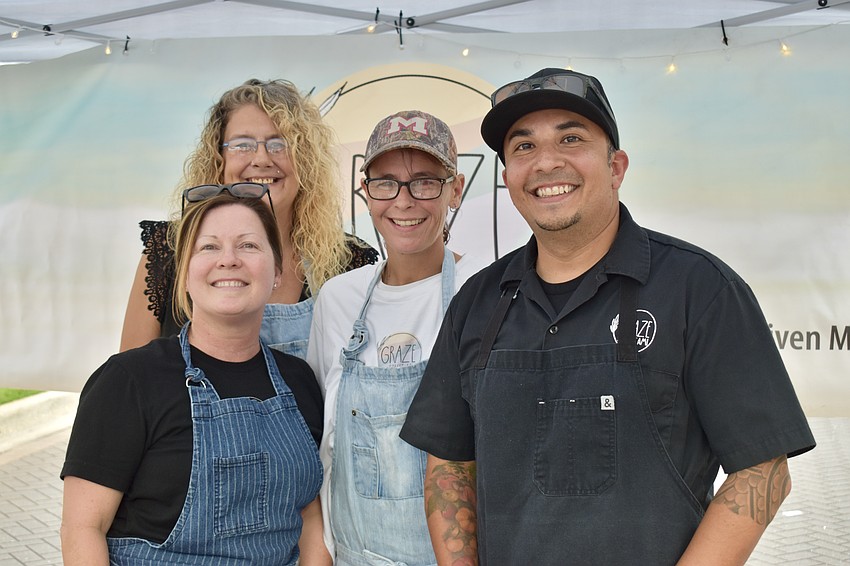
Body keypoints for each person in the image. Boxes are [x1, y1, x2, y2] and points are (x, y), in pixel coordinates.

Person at [400, 68, 816, 565]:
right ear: (507, 175)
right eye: (523, 147)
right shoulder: (478, 302)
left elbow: (764, 470)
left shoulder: (699, 289)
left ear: (616, 166)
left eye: (571, 138)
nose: (546, 163)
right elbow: (449, 463)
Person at [61, 190, 330, 565]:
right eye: (209, 247)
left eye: (249, 245)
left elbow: (308, 513)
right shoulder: (128, 381)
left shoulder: (299, 381)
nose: (229, 260)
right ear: (184, 275)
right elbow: (82, 528)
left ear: (276, 273)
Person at [306, 110, 486, 565]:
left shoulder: (484, 291)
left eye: (425, 181)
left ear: (456, 190)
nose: (403, 201)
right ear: (365, 193)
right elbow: (321, 443)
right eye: (385, 183)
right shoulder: (338, 298)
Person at [120, 78, 378, 357]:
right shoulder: (169, 249)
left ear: (305, 160)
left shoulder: (350, 261)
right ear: (219, 159)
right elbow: (131, 381)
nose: (262, 159)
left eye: (280, 144)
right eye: (243, 145)